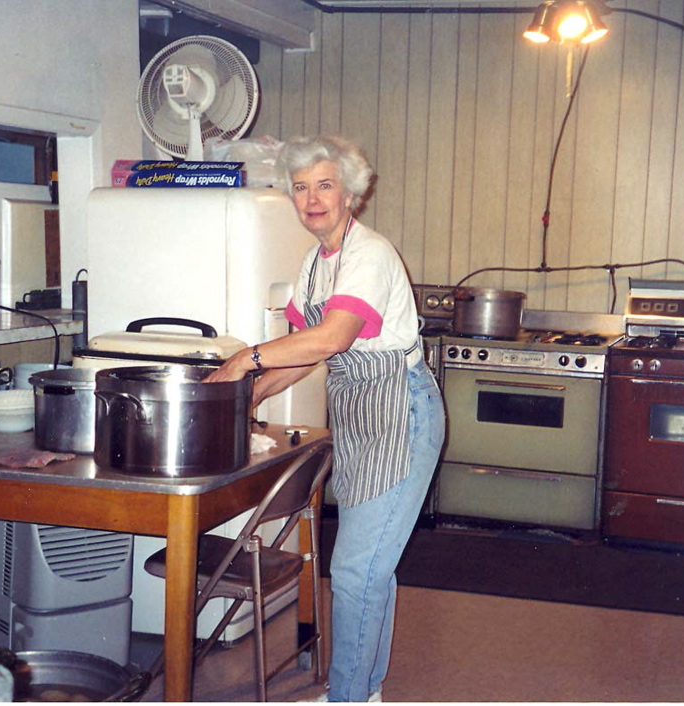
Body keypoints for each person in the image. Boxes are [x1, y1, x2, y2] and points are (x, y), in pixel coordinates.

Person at [205, 135, 446, 702]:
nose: (312, 199)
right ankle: (366, 693)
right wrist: (248, 399)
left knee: (358, 570)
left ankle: (348, 697)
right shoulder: (315, 263)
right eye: (301, 187)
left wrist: (246, 359)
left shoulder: (370, 254)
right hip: (362, 418)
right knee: (369, 570)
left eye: (325, 185)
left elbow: (335, 335)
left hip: (402, 412)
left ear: (350, 194)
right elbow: (306, 349)